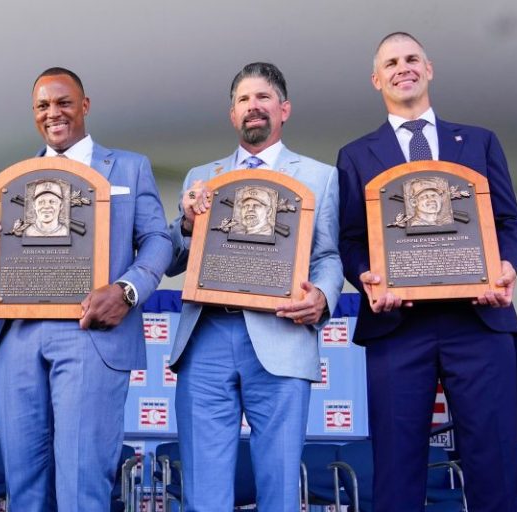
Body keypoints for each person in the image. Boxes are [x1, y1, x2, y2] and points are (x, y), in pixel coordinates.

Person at [337, 32, 517, 511]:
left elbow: (510, 222)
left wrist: (504, 268)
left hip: (478, 321)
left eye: (412, 59)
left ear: (429, 68)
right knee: (397, 469)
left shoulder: (480, 141)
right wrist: (366, 276)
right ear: (376, 78)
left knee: (494, 462)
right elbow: (350, 239)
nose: (404, 68)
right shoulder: (356, 155)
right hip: (398, 327)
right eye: (392, 62)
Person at [0, 67, 172, 511]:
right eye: (42, 105)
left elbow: (159, 239)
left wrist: (127, 290)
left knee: (82, 484)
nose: (53, 113)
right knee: (23, 486)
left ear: (84, 105)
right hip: (17, 337)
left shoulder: (128, 167)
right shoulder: (11, 181)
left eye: (63, 102)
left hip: (90, 333)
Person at [166, 62, 343, 511]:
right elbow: (174, 258)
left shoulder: (320, 177)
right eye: (243, 99)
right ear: (232, 115)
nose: (253, 107)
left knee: (280, 486)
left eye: (263, 97)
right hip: (206, 338)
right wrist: (186, 220)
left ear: (284, 110)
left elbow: (327, 257)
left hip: (281, 336)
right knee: (203, 492)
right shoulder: (200, 178)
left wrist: (322, 296)